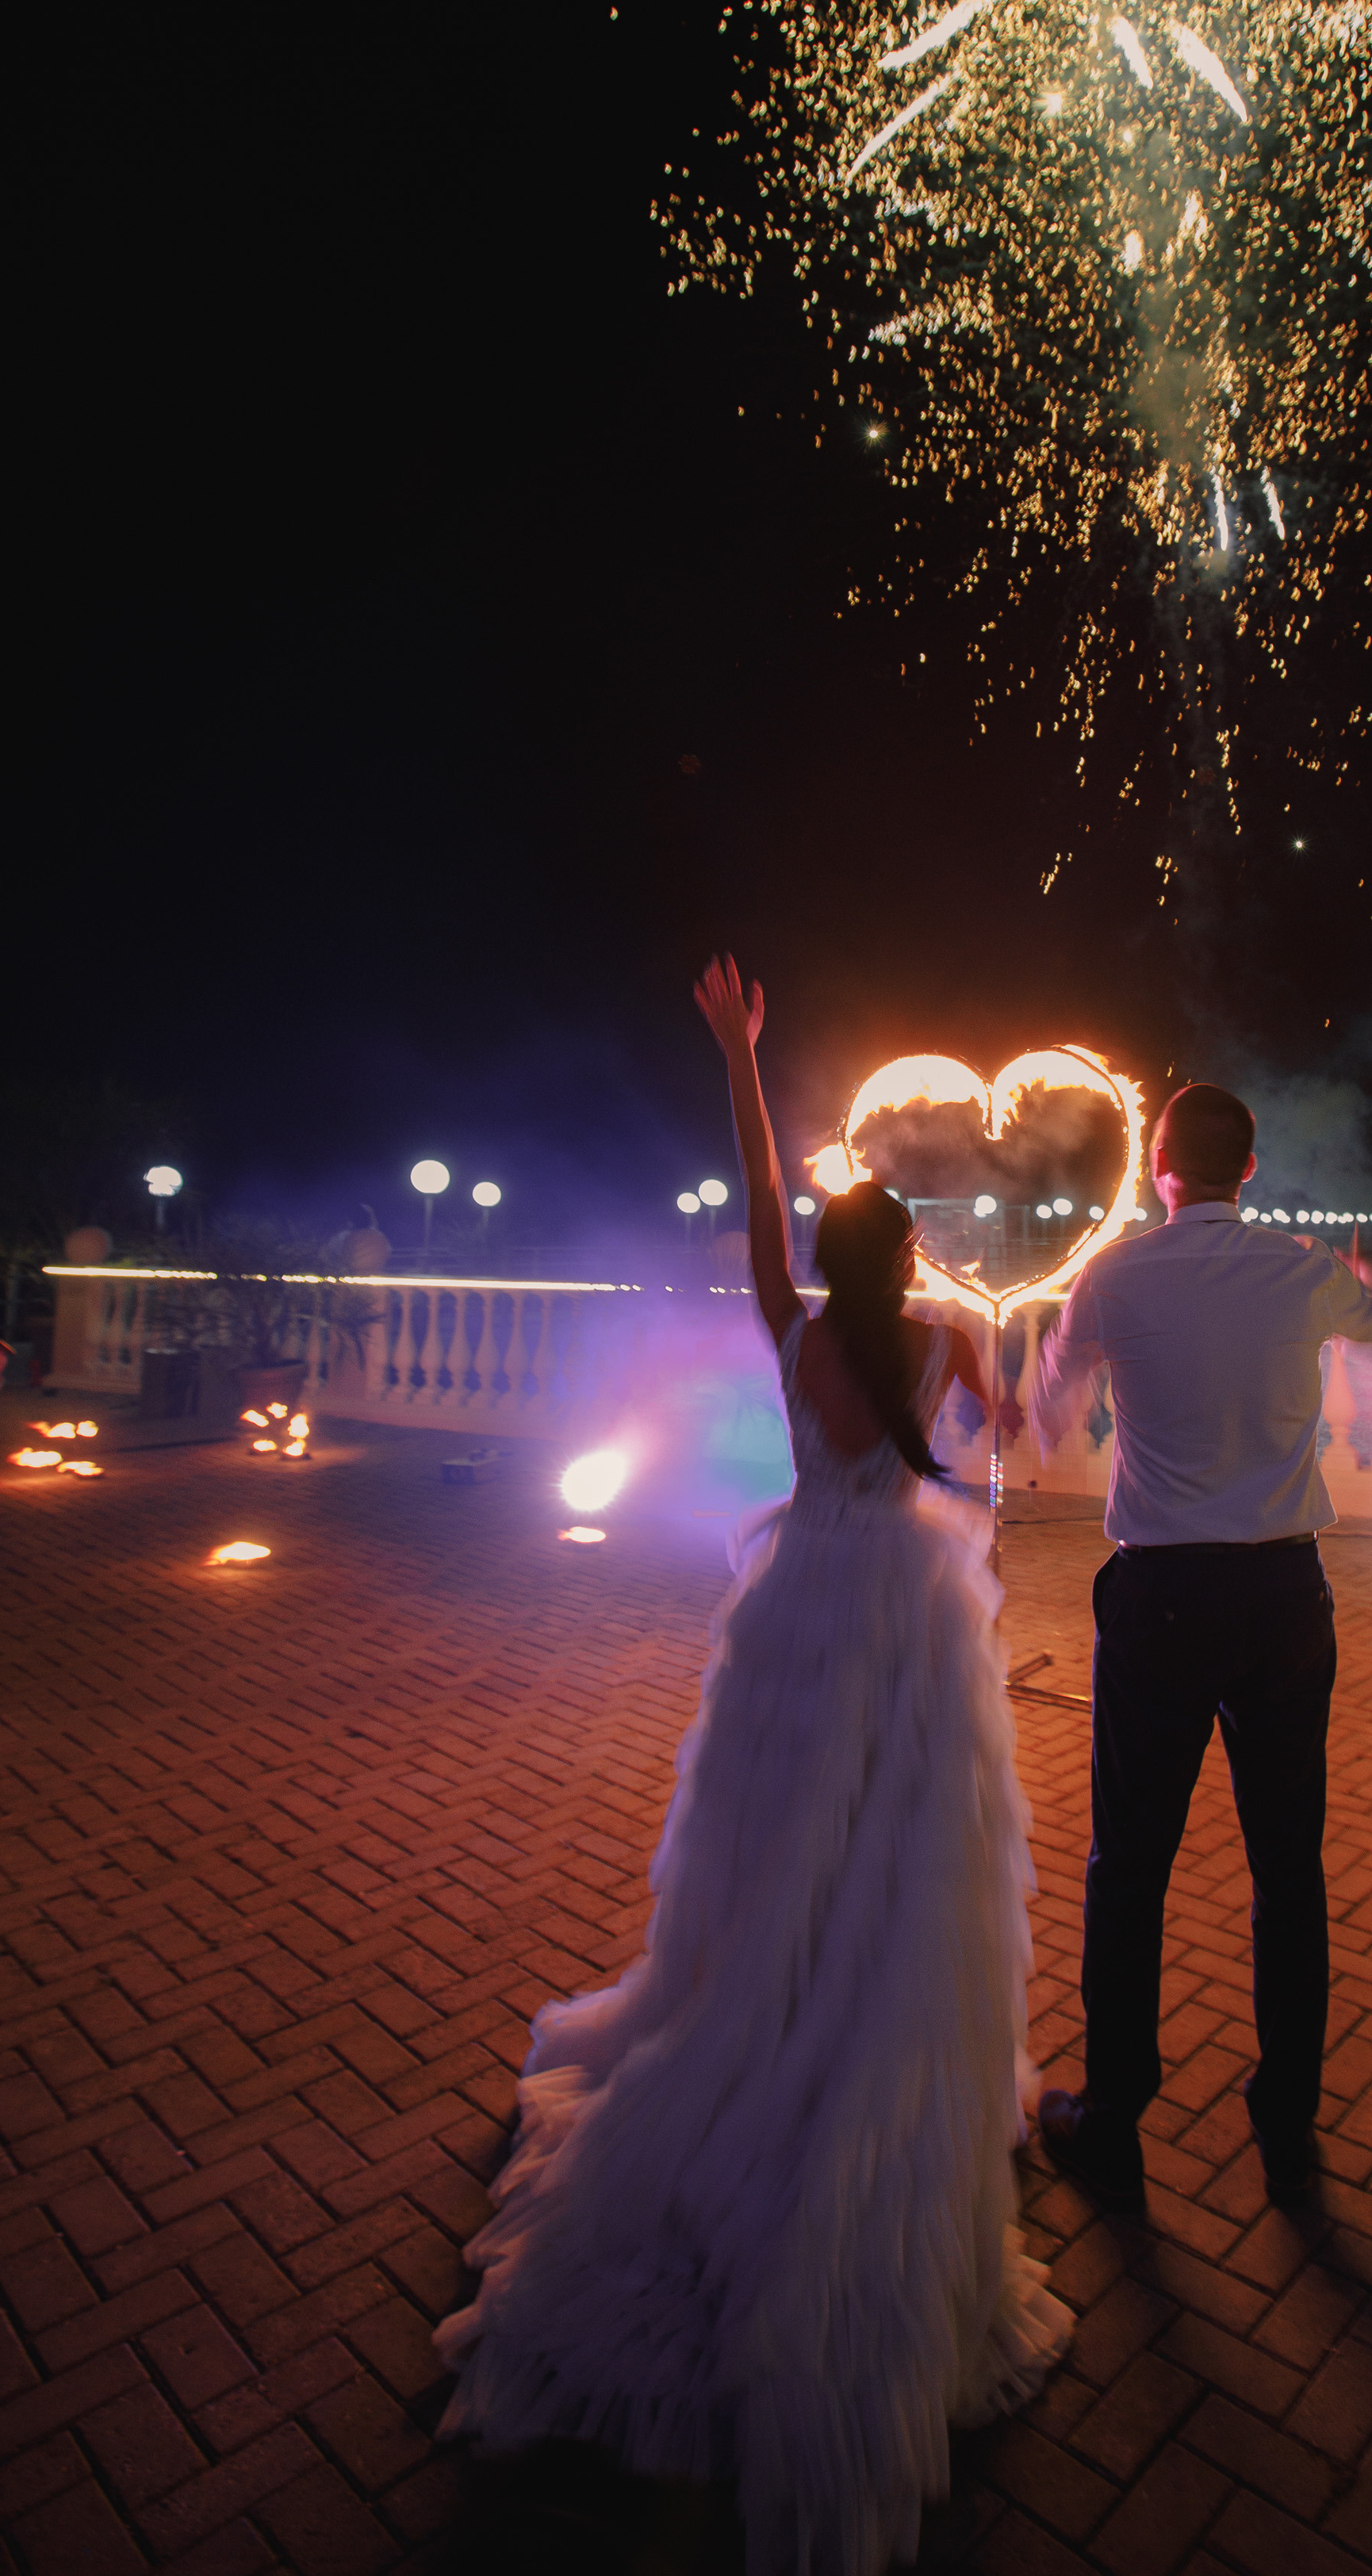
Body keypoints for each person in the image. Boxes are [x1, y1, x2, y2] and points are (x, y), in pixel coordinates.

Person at [437, 958, 1069, 2573]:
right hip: (908, 1629)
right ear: (911, 1254)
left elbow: (757, 1210)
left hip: (799, 1618)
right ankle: (862, 2052)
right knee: (899, 1862)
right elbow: (1014, 1438)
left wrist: (739, 1055)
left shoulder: (795, 1335)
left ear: (821, 1260)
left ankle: (762, 2024)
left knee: (777, 1850)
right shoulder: (937, 1345)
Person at [1028, 1081, 1372, 2209]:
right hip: (1287, 1594)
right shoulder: (1303, 1272)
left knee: (1130, 1864)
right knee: (1287, 1864)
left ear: (1160, 1167)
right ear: (1248, 1167)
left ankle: (1115, 2111)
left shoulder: (1115, 1274)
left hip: (1163, 1600)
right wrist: (1357, 1297)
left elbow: (1051, 1411)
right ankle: (1286, 2108)